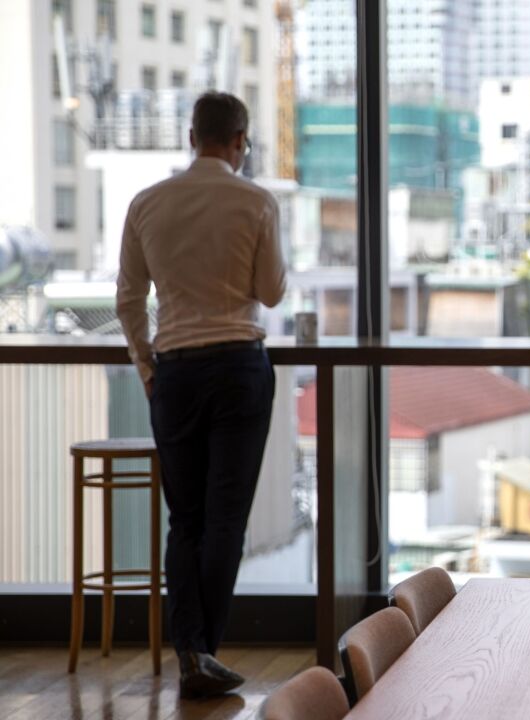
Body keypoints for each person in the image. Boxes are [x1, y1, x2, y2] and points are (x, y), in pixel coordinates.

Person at [116, 92, 286, 699]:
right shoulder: (257, 201)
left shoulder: (147, 202)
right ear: (241, 141)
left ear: (192, 136)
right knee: (224, 521)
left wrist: (147, 367)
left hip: (176, 372)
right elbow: (270, 292)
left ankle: (193, 651)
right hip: (239, 366)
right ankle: (200, 652)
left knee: (184, 520)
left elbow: (128, 300)